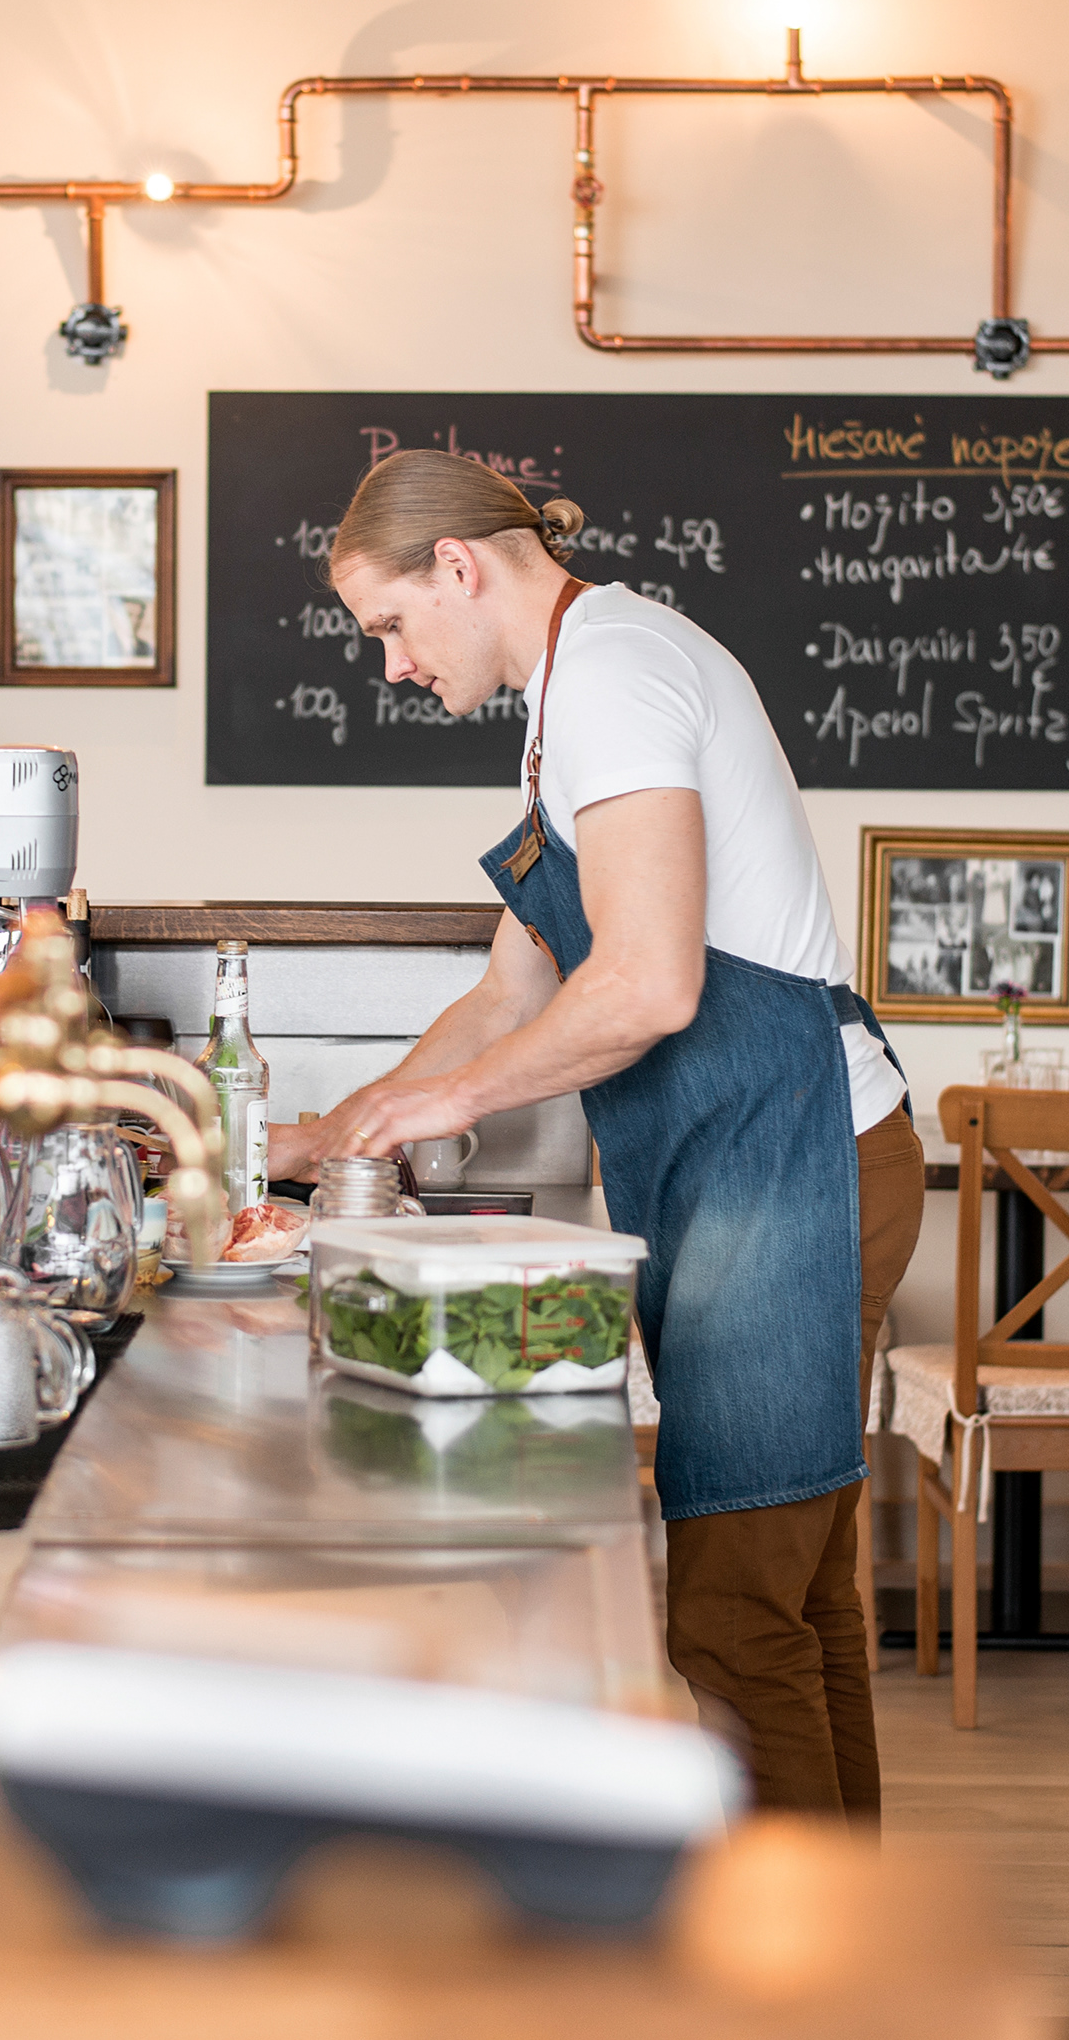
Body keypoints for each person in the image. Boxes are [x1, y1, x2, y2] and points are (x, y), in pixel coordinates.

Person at [278, 450, 923, 1817]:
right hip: (759, 1167)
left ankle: (780, 1951)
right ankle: (843, 1937)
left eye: (390, 624)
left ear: (459, 566)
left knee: (734, 1623)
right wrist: (335, 1131)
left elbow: (646, 986)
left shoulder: (615, 677)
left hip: (794, 1166)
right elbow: (510, 994)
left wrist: (451, 1104)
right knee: (793, 1604)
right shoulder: (572, 697)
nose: (392, 666)